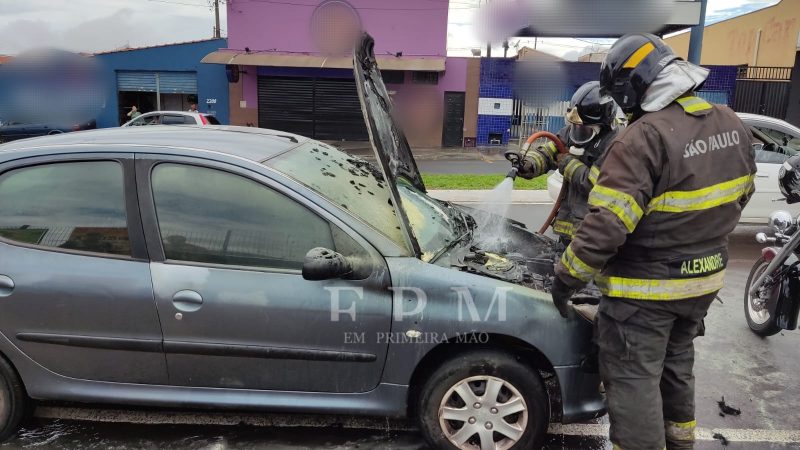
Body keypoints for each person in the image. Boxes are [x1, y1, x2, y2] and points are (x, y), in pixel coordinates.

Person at [551, 33, 757, 450]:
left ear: (632, 87)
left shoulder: (643, 137)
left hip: (645, 292)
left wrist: (566, 278)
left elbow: (607, 225)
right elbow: (743, 195)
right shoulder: (731, 122)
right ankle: (680, 443)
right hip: (702, 284)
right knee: (676, 366)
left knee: (633, 378)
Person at [509, 81, 621, 244]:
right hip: (568, 231)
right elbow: (550, 151)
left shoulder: (615, 145)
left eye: (584, 129)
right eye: (575, 126)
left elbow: (597, 185)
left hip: (592, 236)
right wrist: (530, 164)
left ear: (603, 126)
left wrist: (568, 164)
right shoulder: (573, 131)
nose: (577, 133)